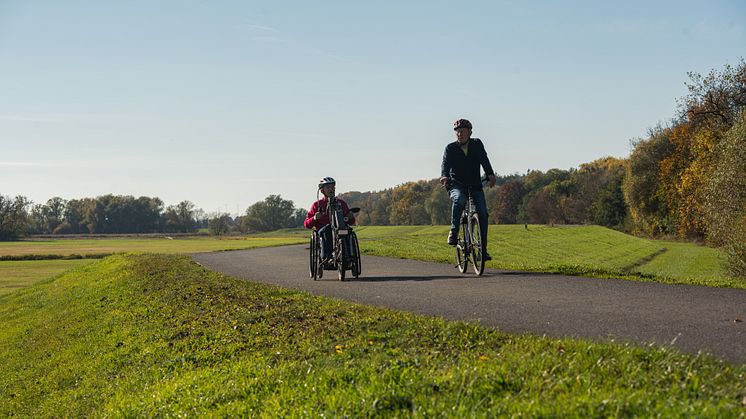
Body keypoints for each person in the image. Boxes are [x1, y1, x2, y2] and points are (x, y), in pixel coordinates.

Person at [439, 118, 496, 260]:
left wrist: (490, 174)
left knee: (482, 214)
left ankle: (482, 251)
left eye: (463, 132)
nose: (460, 134)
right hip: (456, 184)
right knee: (459, 199)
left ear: (470, 133)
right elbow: (445, 165)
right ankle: (454, 231)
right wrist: (444, 176)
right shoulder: (450, 148)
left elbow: (484, 159)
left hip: (475, 184)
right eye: (457, 132)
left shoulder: (477, 144)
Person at [304, 177, 356, 263]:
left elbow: (351, 222)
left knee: (348, 231)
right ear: (322, 190)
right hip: (324, 230)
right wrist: (314, 218)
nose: (331, 189)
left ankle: (349, 256)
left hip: (340, 228)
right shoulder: (317, 205)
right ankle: (328, 257)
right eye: (328, 187)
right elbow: (307, 224)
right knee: (328, 229)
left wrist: (350, 217)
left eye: (333, 187)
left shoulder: (341, 203)